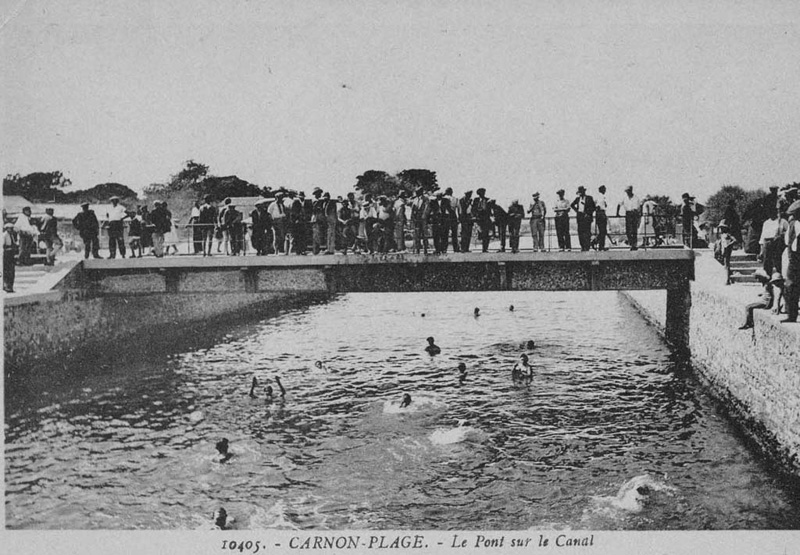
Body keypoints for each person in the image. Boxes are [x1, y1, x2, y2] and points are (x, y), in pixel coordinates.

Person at [782, 202, 800, 323]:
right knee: (790, 286)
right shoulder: (792, 225)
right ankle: (791, 315)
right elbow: (787, 241)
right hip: (794, 259)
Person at [571, 186, 596, 251]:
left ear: (584, 192)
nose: (580, 194)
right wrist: (577, 211)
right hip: (580, 217)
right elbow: (572, 205)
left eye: (581, 192)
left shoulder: (589, 198)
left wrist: (588, 213)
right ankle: (582, 246)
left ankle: (587, 246)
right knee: (580, 232)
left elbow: (593, 207)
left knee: (587, 232)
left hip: (587, 217)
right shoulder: (577, 199)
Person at [618, 186, 642, 250]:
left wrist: (639, 214)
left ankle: (634, 245)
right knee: (628, 230)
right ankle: (631, 243)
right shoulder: (625, 198)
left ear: (631, 190)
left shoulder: (636, 198)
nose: (627, 193)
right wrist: (617, 213)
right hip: (628, 213)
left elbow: (640, 206)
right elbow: (619, 204)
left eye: (628, 191)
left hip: (634, 213)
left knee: (634, 230)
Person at [715, 220, 736, 285]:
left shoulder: (727, 235)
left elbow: (734, 240)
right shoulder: (723, 235)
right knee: (725, 264)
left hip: (726, 250)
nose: (721, 229)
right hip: (723, 250)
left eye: (722, 228)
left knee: (726, 265)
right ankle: (729, 278)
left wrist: (729, 245)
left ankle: (727, 280)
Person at [411, 189, 430, 254]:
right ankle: (417, 249)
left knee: (424, 234)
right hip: (417, 218)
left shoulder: (425, 199)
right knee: (417, 234)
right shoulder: (415, 200)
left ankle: (425, 249)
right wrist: (413, 216)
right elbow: (413, 208)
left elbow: (427, 208)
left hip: (423, 218)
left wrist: (424, 215)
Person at [473, 188, 492, 253]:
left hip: (486, 219)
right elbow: (474, 209)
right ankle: (483, 246)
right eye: (481, 193)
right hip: (479, 219)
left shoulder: (487, 200)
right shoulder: (476, 200)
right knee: (480, 233)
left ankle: (485, 248)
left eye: (484, 192)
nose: (483, 194)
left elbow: (489, 210)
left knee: (486, 234)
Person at [442, 188, 459, 253]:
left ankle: (444, 248)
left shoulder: (444, 198)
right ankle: (456, 248)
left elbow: (442, 208)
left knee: (445, 233)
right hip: (453, 216)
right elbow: (457, 209)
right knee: (454, 233)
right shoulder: (455, 199)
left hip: (446, 216)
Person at [3, 223, 18, 292]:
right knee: (7, 271)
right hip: (6, 254)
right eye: (10, 228)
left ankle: (10, 286)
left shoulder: (12, 235)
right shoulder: (4, 235)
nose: (12, 230)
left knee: (11, 271)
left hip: (11, 254)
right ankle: (6, 286)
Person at [595, 186, 609, 250]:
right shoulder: (600, 196)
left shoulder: (600, 197)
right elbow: (598, 206)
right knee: (603, 231)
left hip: (600, 213)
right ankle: (599, 245)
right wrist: (601, 214)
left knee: (603, 231)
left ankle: (600, 245)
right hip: (601, 213)